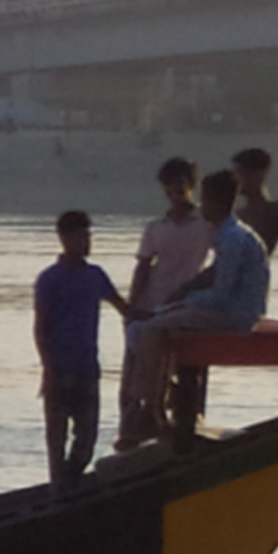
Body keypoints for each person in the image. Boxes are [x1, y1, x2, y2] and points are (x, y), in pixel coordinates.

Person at [120, 169, 272, 446]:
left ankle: (151, 409)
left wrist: (183, 303)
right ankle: (156, 404)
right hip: (229, 309)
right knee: (159, 323)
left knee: (153, 328)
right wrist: (188, 288)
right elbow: (215, 272)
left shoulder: (233, 239)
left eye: (205, 199)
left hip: (234, 316)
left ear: (215, 202)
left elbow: (221, 295)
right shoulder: (228, 233)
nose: (201, 205)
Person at [118, 156, 215, 448]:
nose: (174, 191)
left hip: (185, 306)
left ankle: (179, 420)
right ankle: (134, 427)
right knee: (136, 371)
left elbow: (220, 262)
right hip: (151, 304)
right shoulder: (155, 228)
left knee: (183, 369)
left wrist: (196, 288)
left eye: (180, 184)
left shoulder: (207, 223)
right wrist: (132, 308)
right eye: (168, 186)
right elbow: (143, 267)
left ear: (191, 185)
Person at [31, 210, 126, 488]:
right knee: (56, 443)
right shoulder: (49, 279)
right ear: (64, 239)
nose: (87, 242)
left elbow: (123, 307)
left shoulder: (96, 275)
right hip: (59, 371)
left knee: (86, 441)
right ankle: (59, 494)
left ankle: (69, 485)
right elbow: (40, 328)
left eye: (89, 236)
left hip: (87, 370)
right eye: (80, 236)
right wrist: (48, 368)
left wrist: (157, 315)